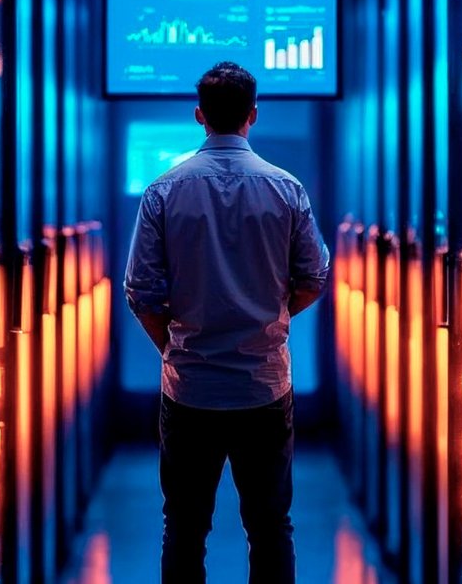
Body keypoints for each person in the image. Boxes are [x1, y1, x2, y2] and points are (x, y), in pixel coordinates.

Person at [125, 61, 329, 583]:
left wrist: (173, 347)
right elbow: (313, 278)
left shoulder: (164, 192)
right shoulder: (287, 189)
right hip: (263, 387)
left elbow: (141, 293)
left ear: (200, 116)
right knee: (269, 527)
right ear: (252, 116)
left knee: (185, 527)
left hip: (190, 389)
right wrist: (272, 317)